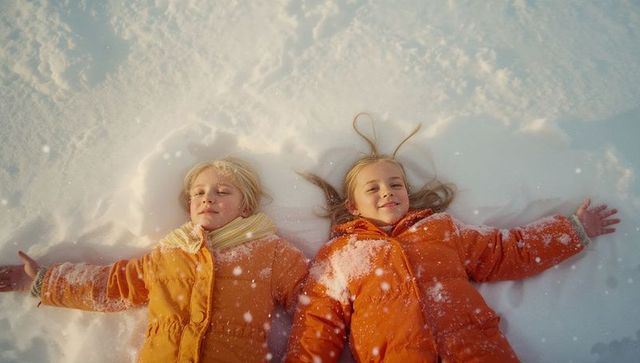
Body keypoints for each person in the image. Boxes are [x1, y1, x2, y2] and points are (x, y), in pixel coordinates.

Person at [284, 114, 620, 363]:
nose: (387, 192)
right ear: (352, 206)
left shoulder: (441, 230)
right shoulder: (340, 255)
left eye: (396, 184)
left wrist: (572, 230)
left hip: (476, 350)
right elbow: (317, 324)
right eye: (373, 188)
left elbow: (507, 250)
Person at [0, 157, 309, 363]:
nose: (207, 198)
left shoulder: (272, 252)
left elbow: (315, 302)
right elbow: (113, 285)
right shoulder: (169, 254)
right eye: (198, 192)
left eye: (222, 191)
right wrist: (41, 281)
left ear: (246, 206)